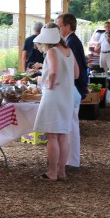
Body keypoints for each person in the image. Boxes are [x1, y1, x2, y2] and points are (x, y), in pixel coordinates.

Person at [33, 23, 78, 181]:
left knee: (52, 135)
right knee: (63, 135)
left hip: (53, 95)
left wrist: (49, 84)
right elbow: (77, 73)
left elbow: (52, 72)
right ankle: (61, 171)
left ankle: (51, 172)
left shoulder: (52, 51)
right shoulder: (68, 50)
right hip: (67, 95)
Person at [56, 13, 88, 168]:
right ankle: (71, 159)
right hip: (75, 87)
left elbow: (75, 70)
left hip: (74, 88)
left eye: (59, 26)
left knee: (72, 126)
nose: (58, 29)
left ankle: (73, 160)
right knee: (71, 125)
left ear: (67, 26)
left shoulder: (71, 42)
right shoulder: (72, 41)